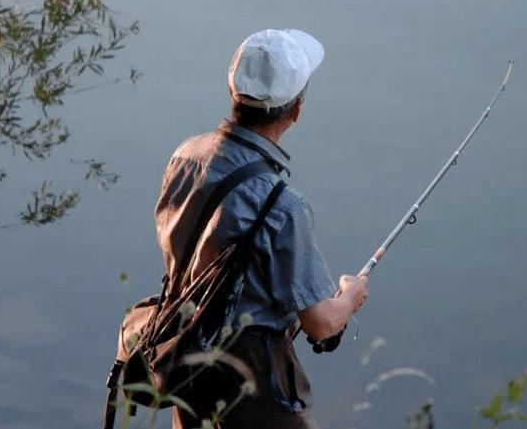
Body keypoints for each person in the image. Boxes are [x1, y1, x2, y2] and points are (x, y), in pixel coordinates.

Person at [154, 28, 369, 429]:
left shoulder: (185, 158)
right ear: (296, 110)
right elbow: (320, 324)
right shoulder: (282, 204)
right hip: (252, 377)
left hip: (186, 358)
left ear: (235, 93)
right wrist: (350, 297)